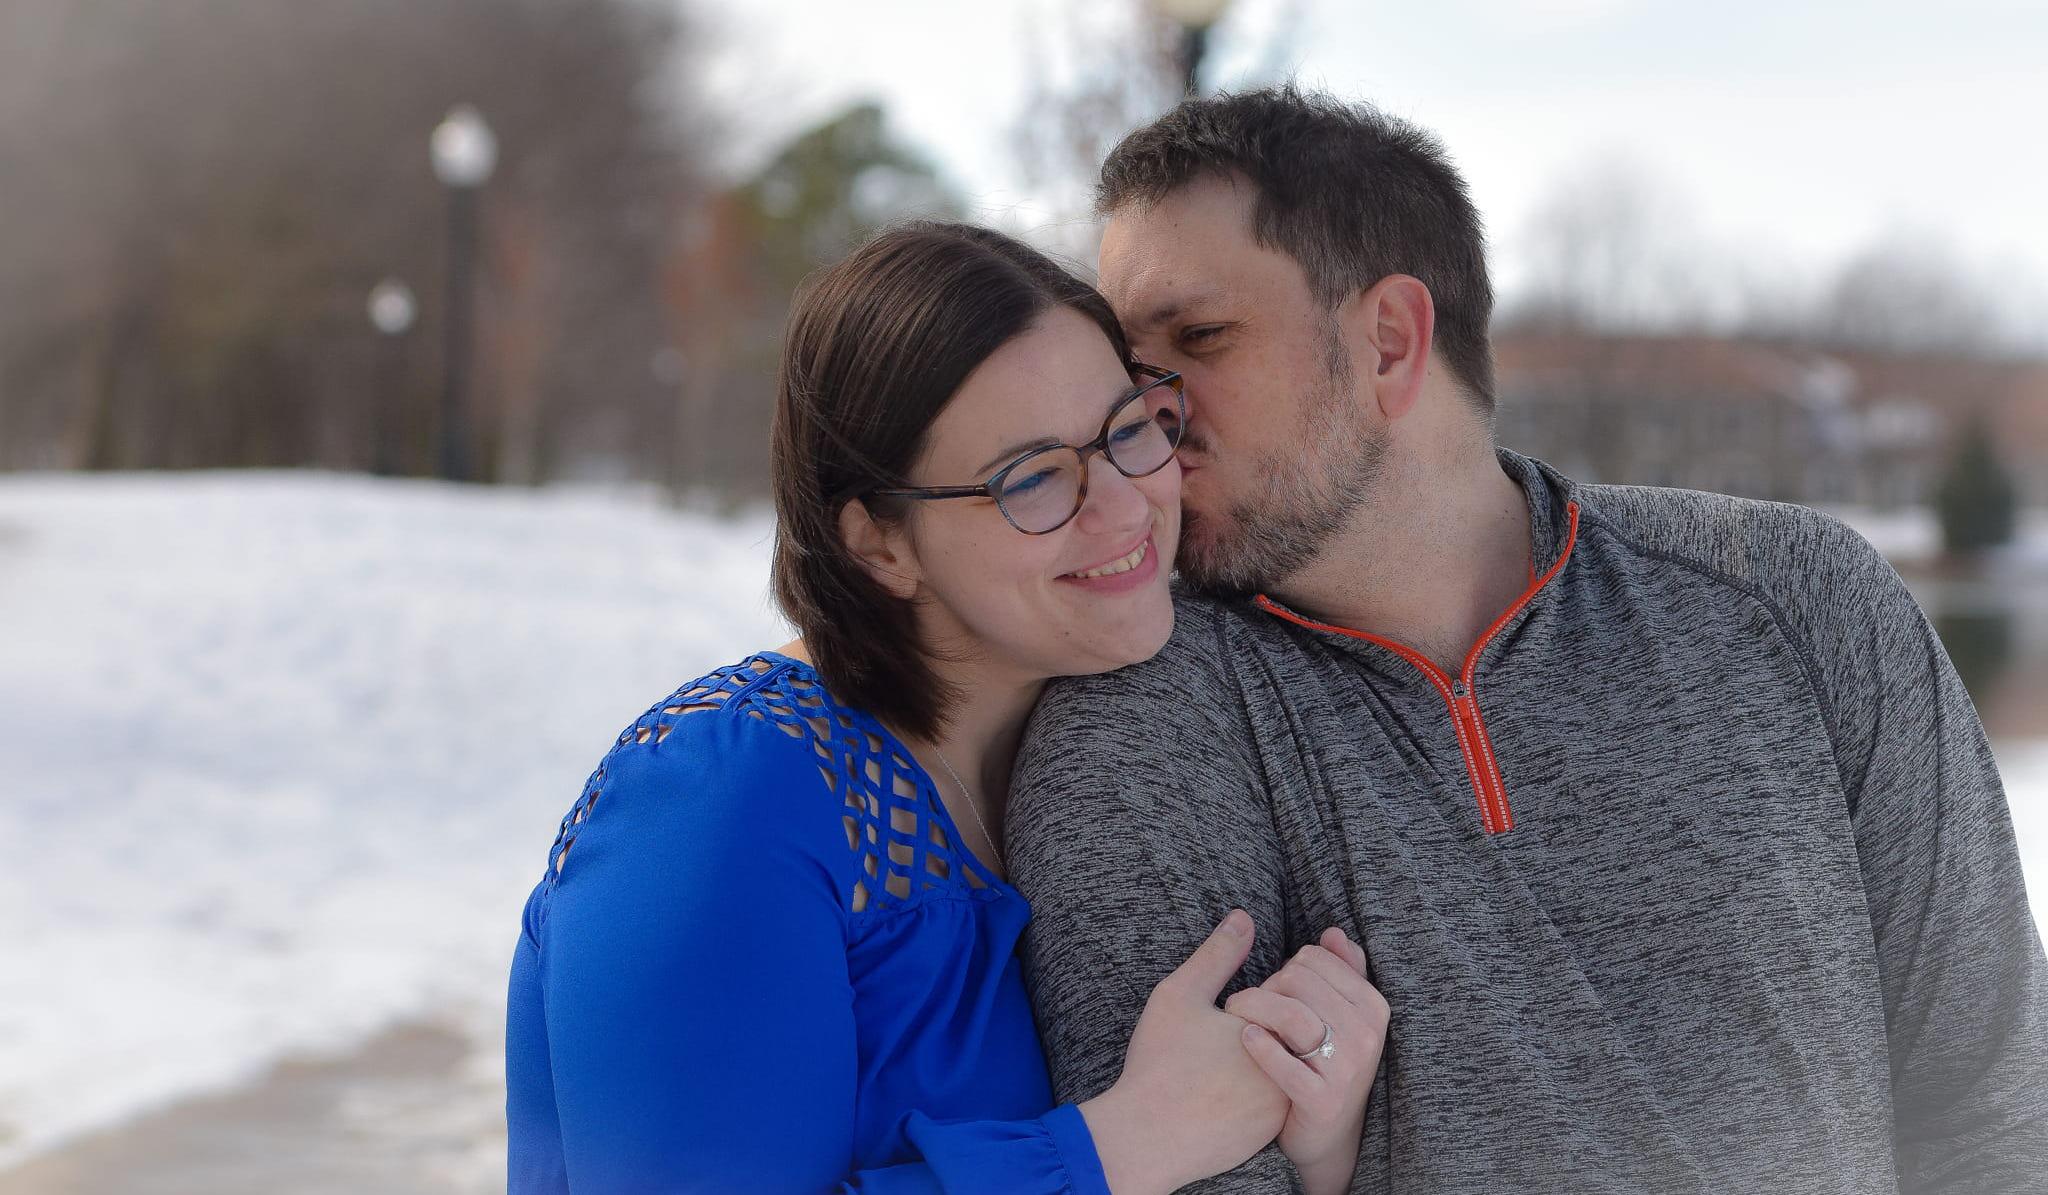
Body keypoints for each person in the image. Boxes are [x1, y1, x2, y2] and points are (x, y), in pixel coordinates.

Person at [1007, 87, 2048, 1193]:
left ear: (1390, 342)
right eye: (1131, 370)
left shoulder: (1799, 599)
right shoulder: (1139, 727)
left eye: (1199, 339)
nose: (1147, 414)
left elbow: (1994, 1113)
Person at [502, 221, 1388, 1193]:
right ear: (879, 543)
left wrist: (1312, 1147)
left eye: (1128, 429)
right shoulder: (717, 803)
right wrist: (1123, 1145)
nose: (1126, 505)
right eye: (1033, 477)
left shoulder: (1122, 745)